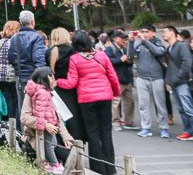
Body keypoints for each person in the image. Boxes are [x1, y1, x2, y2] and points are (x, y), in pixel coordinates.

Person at [56, 31, 120, 175]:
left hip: (86, 100)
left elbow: (71, 83)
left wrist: (57, 81)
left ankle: (97, 168)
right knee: (106, 133)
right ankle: (110, 168)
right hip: (105, 98)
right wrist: (115, 93)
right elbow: (112, 76)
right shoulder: (102, 55)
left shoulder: (75, 59)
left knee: (92, 133)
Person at [21, 67, 74, 174]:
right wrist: (45, 124)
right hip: (37, 135)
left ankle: (56, 165)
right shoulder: (32, 94)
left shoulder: (49, 92)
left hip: (53, 133)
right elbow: (24, 118)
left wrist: (66, 137)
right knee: (56, 154)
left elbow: (57, 118)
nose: (55, 80)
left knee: (70, 154)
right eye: (52, 78)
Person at [162, 25, 193, 144]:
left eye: (165, 32)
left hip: (182, 82)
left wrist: (178, 77)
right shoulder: (169, 48)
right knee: (181, 109)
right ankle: (188, 130)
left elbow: (187, 63)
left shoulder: (181, 46)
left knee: (188, 108)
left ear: (172, 33)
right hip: (175, 82)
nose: (163, 34)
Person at [127, 24, 169, 138]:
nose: (144, 34)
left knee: (160, 104)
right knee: (143, 105)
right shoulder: (138, 43)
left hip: (157, 78)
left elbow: (158, 52)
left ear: (153, 33)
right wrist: (131, 42)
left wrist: (144, 41)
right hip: (141, 78)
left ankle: (164, 128)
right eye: (142, 32)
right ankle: (146, 127)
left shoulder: (158, 43)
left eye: (147, 31)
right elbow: (130, 55)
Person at [8, 10, 46, 124]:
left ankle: (24, 138)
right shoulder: (36, 37)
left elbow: (10, 57)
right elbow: (39, 61)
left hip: (20, 77)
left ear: (20, 22)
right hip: (34, 78)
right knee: (37, 110)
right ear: (33, 21)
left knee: (23, 111)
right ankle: (36, 139)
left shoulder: (14, 38)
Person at [48, 27, 83, 141]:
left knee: (59, 118)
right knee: (75, 119)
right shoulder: (72, 51)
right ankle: (77, 144)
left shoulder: (49, 52)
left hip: (55, 89)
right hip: (71, 89)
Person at [104, 30, 135, 131]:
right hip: (116, 80)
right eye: (122, 38)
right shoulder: (109, 49)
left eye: (125, 39)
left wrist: (128, 60)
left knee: (129, 101)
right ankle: (116, 122)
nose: (124, 41)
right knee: (116, 102)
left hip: (127, 79)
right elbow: (107, 61)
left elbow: (130, 62)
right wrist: (120, 60)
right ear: (115, 39)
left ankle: (128, 122)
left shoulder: (125, 49)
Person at [0, 20, 20, 125]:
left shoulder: (0, 42)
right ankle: (15, 124)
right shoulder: (17, 42)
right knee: (16, 100)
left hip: (1, 76)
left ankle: (7, 122)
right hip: (14, 75)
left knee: (6, 99)